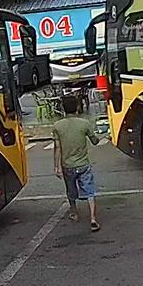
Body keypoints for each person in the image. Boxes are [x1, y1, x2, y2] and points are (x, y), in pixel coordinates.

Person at [53, 93, 102, 231]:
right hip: (83, 164)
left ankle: (74, 213)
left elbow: (57, 148)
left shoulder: (57, 126)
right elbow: (95, 141)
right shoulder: (84, 124)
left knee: (71, 191)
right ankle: (93, 218)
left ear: (63, 109)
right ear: (77, 107)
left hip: (67, 165)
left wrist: (56, 166)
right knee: (90, 191)